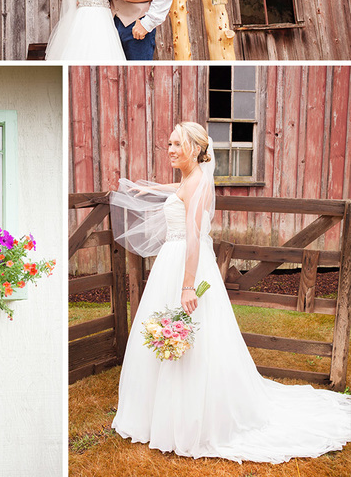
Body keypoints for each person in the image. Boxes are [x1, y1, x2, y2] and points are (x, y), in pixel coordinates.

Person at [109, 122, 351, 463]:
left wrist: (187, 286)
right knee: (169, 329)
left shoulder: (196, 183)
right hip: (174, 260)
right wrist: (147, 189)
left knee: (192, 333)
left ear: (194, 148)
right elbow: (179, 192)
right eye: (169, 144)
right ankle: (158, 410)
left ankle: (195, 417)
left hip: (185, 264)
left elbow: (193, 237)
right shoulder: (191, 179)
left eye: (178, 144)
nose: (171, 149)